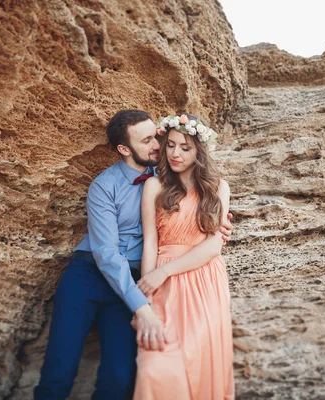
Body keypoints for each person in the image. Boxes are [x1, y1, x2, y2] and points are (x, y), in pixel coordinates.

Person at [34, 110, 232, 400]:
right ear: (124, 149)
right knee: (59, 370)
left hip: (137, 278)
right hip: (90, 275)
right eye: (148, 140)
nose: (159, 146)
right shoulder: (104, 186)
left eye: (158, 136)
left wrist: (220, 222)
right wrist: (142, 307)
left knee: (119, 378)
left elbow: (197, 209)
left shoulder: (166, 177)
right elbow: (106, 254)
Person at [133, 114, 235, 399]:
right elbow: (150, 244)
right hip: (162, 286)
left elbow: (213, 246)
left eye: (185, 148)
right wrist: (146, 300)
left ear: (200, 152)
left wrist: (164, 272)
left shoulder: (218, 188)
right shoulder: (154, 186)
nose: (175, 153)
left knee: (200, 363)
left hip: (204, 281)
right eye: (171, 145)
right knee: (153, 367)